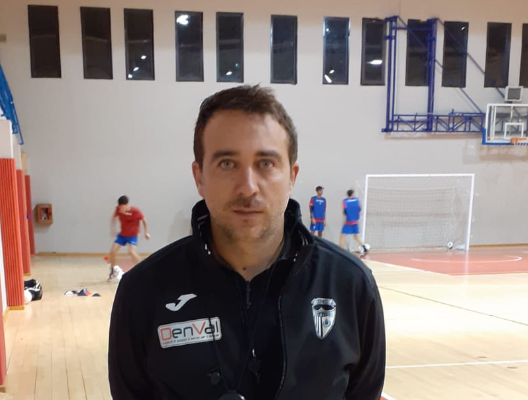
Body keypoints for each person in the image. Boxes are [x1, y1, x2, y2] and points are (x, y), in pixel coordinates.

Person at [108, 85, 385, 400]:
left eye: (266, 163)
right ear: (199, 177)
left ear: (292, 177)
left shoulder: (351, 285)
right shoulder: (143, 292)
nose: (248, 187)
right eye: (227, 163)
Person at [107, 195, 150, 281]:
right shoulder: (118, 210)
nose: (121, 209)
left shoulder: (135, 211)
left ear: (127, 205)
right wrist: (113, 229)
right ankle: (113, 272)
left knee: (131, 252)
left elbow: (144, 221)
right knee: (112, 251)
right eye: (120, 207)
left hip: (132, 236)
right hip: (122, 235)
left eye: (123, 207)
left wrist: (146, 233)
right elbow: (113, 218)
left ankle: (144, 268)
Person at [339, 189, 369, 256]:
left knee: (342, 236)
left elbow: (345, 212)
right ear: (352, 194)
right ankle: (364, 247)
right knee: (356, 236)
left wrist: (344, 221)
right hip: (355, 221)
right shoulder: (356, 200)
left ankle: (340, 251)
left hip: (348, 221)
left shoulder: (345, 201)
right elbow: (360, 208)